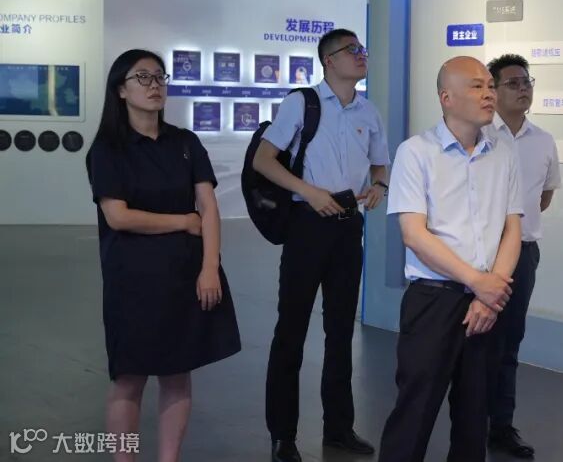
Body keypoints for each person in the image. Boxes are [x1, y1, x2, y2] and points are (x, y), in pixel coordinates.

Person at [86, 49, 241, 462]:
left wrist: (210, 267)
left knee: (176, 373)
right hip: (132, 279)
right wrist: (182, 221)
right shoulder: (108, 149)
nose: (154, 85)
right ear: (121, 90)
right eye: (142, 78)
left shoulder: (185, 142)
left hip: (185, 274)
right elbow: (118, 217)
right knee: (129, 377)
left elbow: (208, 208)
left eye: (159, 77)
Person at [378, 55, 523, 462]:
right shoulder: (416, 152)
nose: (489, 93)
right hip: (434, 299)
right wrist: (477, 282)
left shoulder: (503, 151)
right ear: (446, 97)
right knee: (415, 412)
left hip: (488, 301)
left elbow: (513, 228)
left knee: (474, 416)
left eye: (490, 86)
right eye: (477, 86)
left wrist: (489, 293)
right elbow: (413, 234)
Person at [254, 29, 389, 462]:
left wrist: (379, 185)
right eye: (353, 50)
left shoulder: (368, 110)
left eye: (363, 49)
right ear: (329, 60)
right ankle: (283, 435)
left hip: (348, 226)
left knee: (340, 330)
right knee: (291, 331)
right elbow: (263, 160)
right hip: (307, 225)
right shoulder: (302, 103)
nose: (361, 55)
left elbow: (380, 163)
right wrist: (308, 192)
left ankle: (339, 428)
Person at [484, 54, 560, 459]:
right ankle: (468, 423)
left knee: (509, 345)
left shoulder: (543, 140)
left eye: (527, 81)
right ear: (493, 90)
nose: (523, 89)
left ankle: (501, 427)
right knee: (473, 344)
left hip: (523, 255)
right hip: (479, 256)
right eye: (512, 83)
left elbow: (543, 198)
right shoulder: (478, 135)